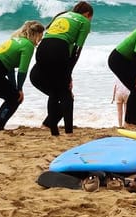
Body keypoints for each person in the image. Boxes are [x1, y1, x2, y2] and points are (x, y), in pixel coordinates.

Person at [31, 1, 93, 136]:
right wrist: (68, 74)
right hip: (59, 50)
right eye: (90, 18)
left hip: (42, 49)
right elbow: (77, 49)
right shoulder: (84, 21)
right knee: (66, 93)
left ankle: (54, 131)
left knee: (54, 91)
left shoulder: (63, 15)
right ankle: (69, 132)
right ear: (87, 14)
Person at [0, 21, 45, 130]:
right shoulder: (28, 45)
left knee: (13, 96)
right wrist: (19, 89)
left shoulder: (14, 40)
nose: (41, 39)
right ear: (37, 34)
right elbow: (22, 70)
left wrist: (15, 88)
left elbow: (9, 69)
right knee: (15, 98)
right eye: (41, 35)